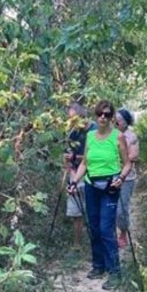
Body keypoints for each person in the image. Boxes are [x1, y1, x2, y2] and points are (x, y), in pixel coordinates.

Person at [68, 99, 131, 290]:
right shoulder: (91, 136)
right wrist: (74, 181)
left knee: (105, 228)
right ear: (96, 115)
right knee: (93, 227)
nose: (103, 117)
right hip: (91, 185)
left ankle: (115, 272)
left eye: (108, 114)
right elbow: (85, 163)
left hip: (110, 186)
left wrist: (121, 178)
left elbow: (127, 163)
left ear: (112, 118)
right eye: (100, 114)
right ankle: (98, 265)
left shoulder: (118, 137)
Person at [63, 101, 90, 249]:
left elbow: (92, 157)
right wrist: (69, 170)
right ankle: (77, 244)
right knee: (76, 212)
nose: (72, 122)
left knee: (92, 209)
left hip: (92, 175)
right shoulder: (72, 133)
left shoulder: (94, 131)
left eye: (74, 119)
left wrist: (75, 159)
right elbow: (66, 154)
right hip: (74, 174)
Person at [115, 107, 139, 249]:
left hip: (127, 178)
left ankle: (123, 232)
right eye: (115, 120)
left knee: (122, 208)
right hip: (109, 175)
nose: (117, 122)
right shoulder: (110, 135)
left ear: (126, 122)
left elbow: (134, 156)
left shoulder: (132, 137)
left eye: (120, 120)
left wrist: (120, 159)